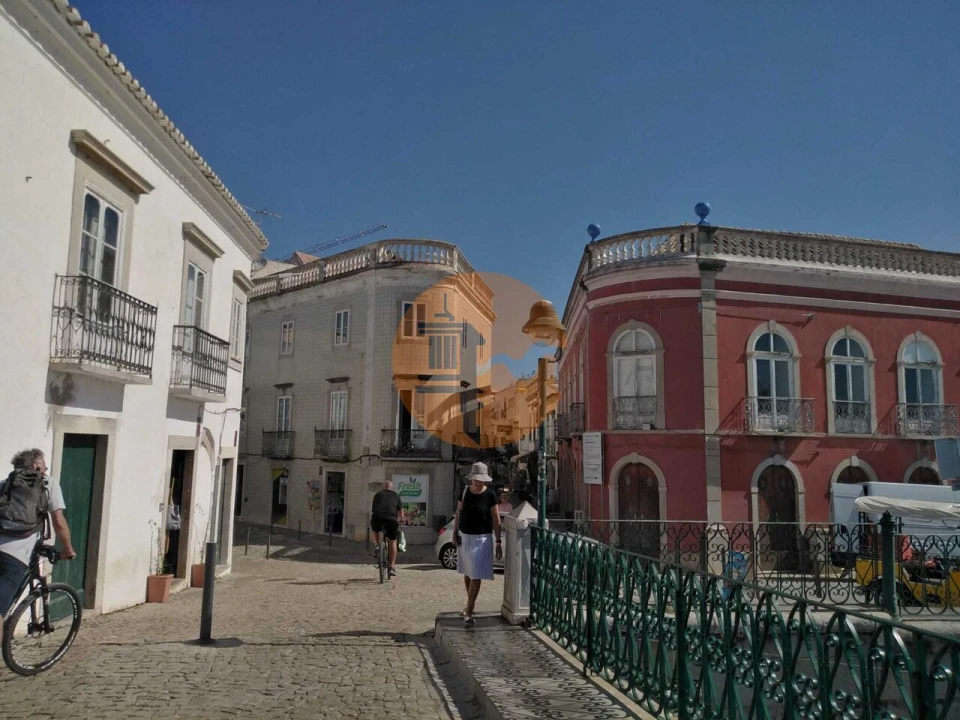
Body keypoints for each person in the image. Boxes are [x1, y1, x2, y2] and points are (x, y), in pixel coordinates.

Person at [0, 449, 75, 642]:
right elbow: (58, 522)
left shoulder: (4, 485)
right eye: (45, 467)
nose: (46, 471)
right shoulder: (48, 483)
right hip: (13, 557)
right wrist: (67, 549)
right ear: (36, 466)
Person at [454, 462, 502, 627]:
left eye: (480, 480)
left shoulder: (490, 496)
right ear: (472, 478)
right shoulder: (465, 491)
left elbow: (496, 519)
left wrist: (498, 541)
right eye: (475, 479)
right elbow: (458, 512)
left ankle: (469, 610)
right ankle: (469, 604)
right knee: (468, 572)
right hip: (465, 536)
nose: (477, 482)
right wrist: (455, 532)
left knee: (476, 574)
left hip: (482, 538)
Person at [370, 479, 403, 578]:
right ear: (392, 488)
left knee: (374, 529)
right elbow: (401, 513)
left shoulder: (377, 495)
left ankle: (376, 546)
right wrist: (401, 520)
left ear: (384, 488)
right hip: (391, 520)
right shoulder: (396, 496)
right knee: (393, 541)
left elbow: (374, 510)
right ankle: (392, 566)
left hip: (378, 518)